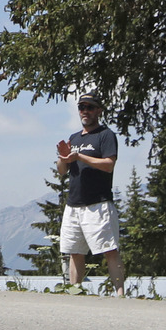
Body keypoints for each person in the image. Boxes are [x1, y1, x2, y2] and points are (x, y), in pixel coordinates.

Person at [56, 91, 125, 296]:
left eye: (89, 107)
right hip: (74, 204)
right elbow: (62, 171)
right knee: (74, 252)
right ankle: (74, 292)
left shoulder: (105, 135)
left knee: (109, 250)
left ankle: (120, 294)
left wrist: (81, 157)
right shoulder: (74, 137)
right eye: (81, 108)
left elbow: (108, 164)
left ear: (98, 111)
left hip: (98, 204)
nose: (85, 111)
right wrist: (63, 157)